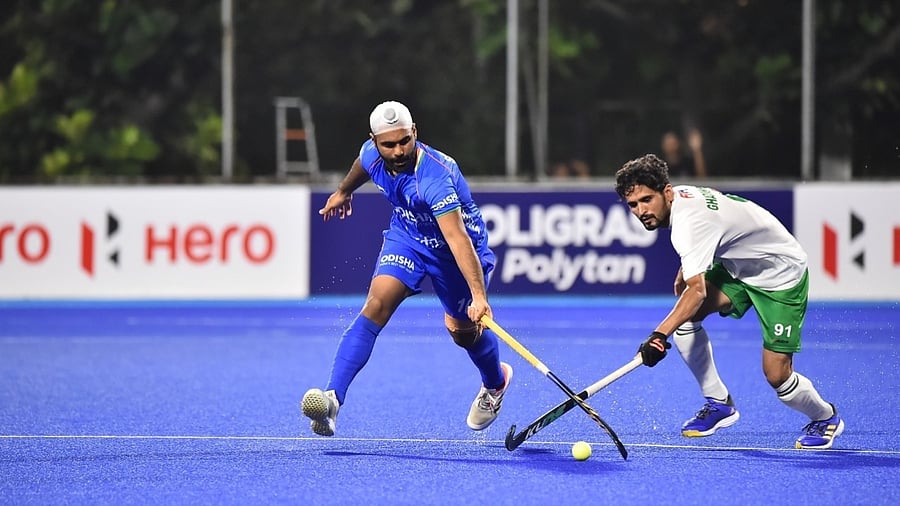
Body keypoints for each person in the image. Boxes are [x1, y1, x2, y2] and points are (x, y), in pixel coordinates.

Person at [301, 101, 512, 436]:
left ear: (415, 132)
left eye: (404, 141)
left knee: (463, 334)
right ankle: (332, 400)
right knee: (375, 305)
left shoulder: (435, 177)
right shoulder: (372, 154)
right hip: (408, 238)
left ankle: (495, 383)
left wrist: (478, 295)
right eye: (389, 144)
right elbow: (362, 164)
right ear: (375, 141)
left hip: (453, 250)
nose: (398, 150)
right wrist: (343, 191)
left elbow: (458, 240)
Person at [614, 153, 844, 449]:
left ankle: (826, 417)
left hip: (779, 274)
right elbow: (716, 225)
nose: (641, 210)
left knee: (777, 375)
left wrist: (659, 335)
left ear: (667, 192)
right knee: (687, 317)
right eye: (633, 205)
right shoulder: (682, 199)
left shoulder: (687, 223)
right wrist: (688, 266)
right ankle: (719, 403)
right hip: (738, 264)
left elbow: (697, 289)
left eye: (647, 200)